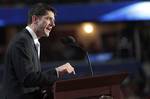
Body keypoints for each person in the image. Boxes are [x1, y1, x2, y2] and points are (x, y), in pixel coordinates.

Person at [2, 3, 75, 99]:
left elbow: (33, 77)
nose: (53, 24)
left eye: (53, 20)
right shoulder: (22, 41)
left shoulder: (30, 41)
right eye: (49, 18)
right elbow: (28, 78)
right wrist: (57, 71)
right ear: (35, 19)